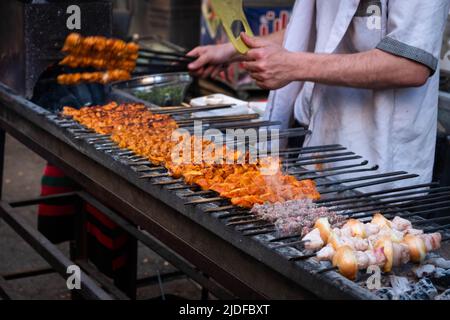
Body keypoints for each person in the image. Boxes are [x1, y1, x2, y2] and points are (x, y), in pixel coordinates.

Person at [187, 0, 450, 189]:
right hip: (315, 140)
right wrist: (234, 50)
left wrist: (292, 65)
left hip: (378, 161)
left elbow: (409, 66)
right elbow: (307, 27)